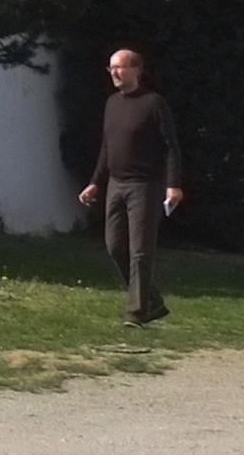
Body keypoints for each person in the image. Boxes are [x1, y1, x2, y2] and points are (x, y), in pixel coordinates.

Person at [77, 44, 185, 324]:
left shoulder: (153, 103)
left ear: (136, 70)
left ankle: (137, 312)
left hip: (144, 186)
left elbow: (170, 146)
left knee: (140, 251)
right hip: (116, 184)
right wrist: (95, 182)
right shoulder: (112, 104)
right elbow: (107, 147)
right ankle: (153, 302)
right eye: (111, 67)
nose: (114, 72)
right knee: (115, 246)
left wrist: (173, 184)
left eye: (120, 67)